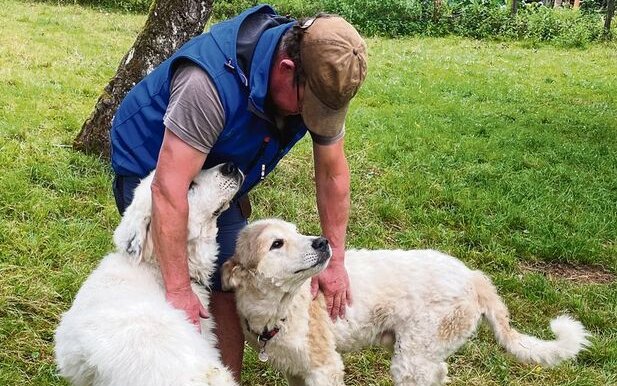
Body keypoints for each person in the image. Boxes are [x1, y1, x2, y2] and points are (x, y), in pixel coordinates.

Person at [109, 4, 367, 381]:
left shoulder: (323, 79)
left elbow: (331, 172)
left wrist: (337, 259)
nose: (314, 120)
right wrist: (179, 290)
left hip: (218, 166)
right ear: (286, 70)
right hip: (154, 165)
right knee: (172, 288)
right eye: (309, 108)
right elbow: (168, 190)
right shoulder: (207, 85)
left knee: (229, 280)